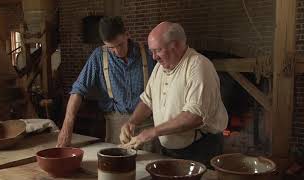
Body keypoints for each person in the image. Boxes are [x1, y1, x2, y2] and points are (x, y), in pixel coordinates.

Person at [120, 21, 228, 167]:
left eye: (157, 50)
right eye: (151, 51)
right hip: (170, 150)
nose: (153, 57)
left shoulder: (198, 66)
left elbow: (194, 117)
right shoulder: (160, 67)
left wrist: (152, 132)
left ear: (175, 45)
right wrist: (132, 122)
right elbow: (148, 100)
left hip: (200, 149)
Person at [57, 16, 157, 150]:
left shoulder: (149, 54)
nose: (117, 51)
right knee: (116, 166)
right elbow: (78, 90)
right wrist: (67, 126)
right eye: (111, 48)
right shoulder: (99, 56)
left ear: (127, 34)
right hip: (116, 125)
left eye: (120, 44)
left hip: (147, 125)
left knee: (148, 165)